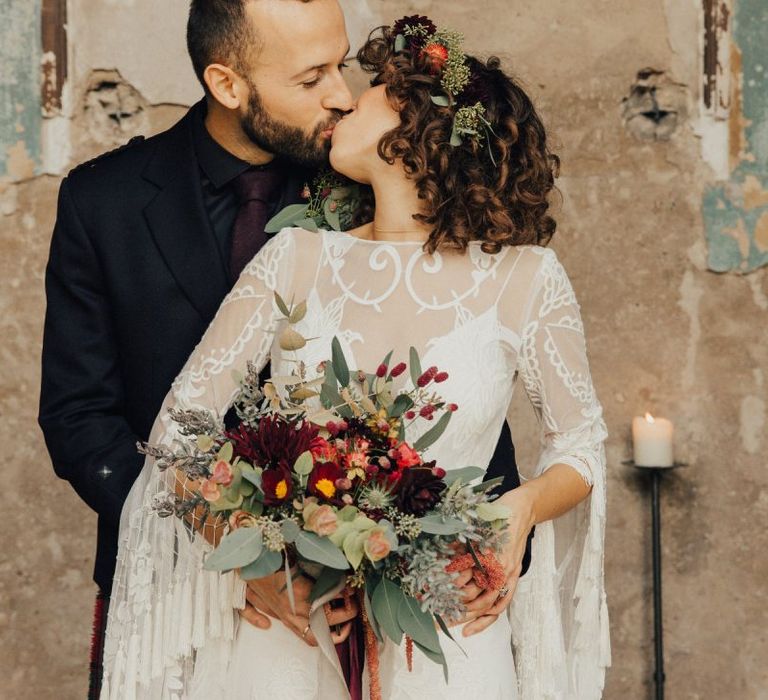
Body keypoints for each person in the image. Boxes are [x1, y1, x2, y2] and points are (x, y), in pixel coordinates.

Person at [100, 14, 610, 700]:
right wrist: (251, 554)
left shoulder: (526, 279)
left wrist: (517, 511)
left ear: (411, 127)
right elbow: (181, 425)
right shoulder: (294, 258)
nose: (343, 98)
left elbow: (580, 443)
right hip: (291, 624)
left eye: (369, 90)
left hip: (448, 628)